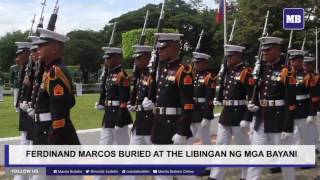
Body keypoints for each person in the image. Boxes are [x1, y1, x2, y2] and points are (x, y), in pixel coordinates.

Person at [142, 33, 196, 180]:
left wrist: (182, 131)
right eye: (159, 48)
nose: (160, 50)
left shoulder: (182, 70)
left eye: (164, 48)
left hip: (174, 126)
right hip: (160, 124)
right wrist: (151, 103)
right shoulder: (162, 69)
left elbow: (188, 104)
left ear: (175, 47)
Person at [246, 37, 296, 180]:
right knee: (255, 158)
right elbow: (258, 90)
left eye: (268, 50)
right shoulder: (262, 68)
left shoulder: (287, 71)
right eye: (263, 50)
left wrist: (287, 126)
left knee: (285, 159)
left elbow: (290, 101)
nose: (265, 53)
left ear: (277, 50)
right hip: (261, 118)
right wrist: (254, 104)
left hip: (279, 120)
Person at [209, 45, 253, 180]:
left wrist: (247, 117)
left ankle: (246, 176)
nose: (228, 58)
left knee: (243, 148)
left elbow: (252, 97)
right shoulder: (228, 71)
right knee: (220, 146)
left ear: (239, 55)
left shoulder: (246, 72)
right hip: (226, 113)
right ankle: (215, 176)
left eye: (231, 56)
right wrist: (220, 99)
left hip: (239, 115)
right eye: (227, 56)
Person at [33, 28, 80, 145]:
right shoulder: (48, 70)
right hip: (43, 128)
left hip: (52, 132)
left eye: (42, 46)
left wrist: (55, 138)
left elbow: (60, 109)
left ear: (54, 49)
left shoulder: (56, 72)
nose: (38, 49)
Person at [128, 45, 153, 146]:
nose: (135, 61)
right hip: (140, 120)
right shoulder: (141, 74)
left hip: (151, 122)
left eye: (138, 58)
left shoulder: (154, 74)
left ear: (147, 57)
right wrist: (134, 104)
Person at [191, 51, 216, 145]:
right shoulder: (193, 75)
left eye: (198, 62)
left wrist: (207, 116)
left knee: (205, 140)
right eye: (195, 62)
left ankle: (208, 159)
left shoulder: (209, 77)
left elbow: (210, 98)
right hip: (192, 110)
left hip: (202, 112)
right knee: (187, 138)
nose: (195, 64)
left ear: (205, 63)